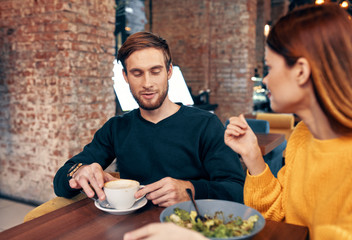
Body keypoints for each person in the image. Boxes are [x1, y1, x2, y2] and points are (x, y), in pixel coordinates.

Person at [123, 3, 352, 240]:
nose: (265, 81)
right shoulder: (304, 135)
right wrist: (253, 156)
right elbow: (276, 215)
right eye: (137, 73)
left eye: (270, 68)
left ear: (301, 72)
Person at [53, 31, 245, 207]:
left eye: (155, 71)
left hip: (190, 226)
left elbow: (236, 190)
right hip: (132, 227)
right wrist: (80, 172)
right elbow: (62, 180)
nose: (147, 84)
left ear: (169, 71)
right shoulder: (116, 128)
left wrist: (191, 190)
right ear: (125, 76)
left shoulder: (205, 125)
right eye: (137, 73)